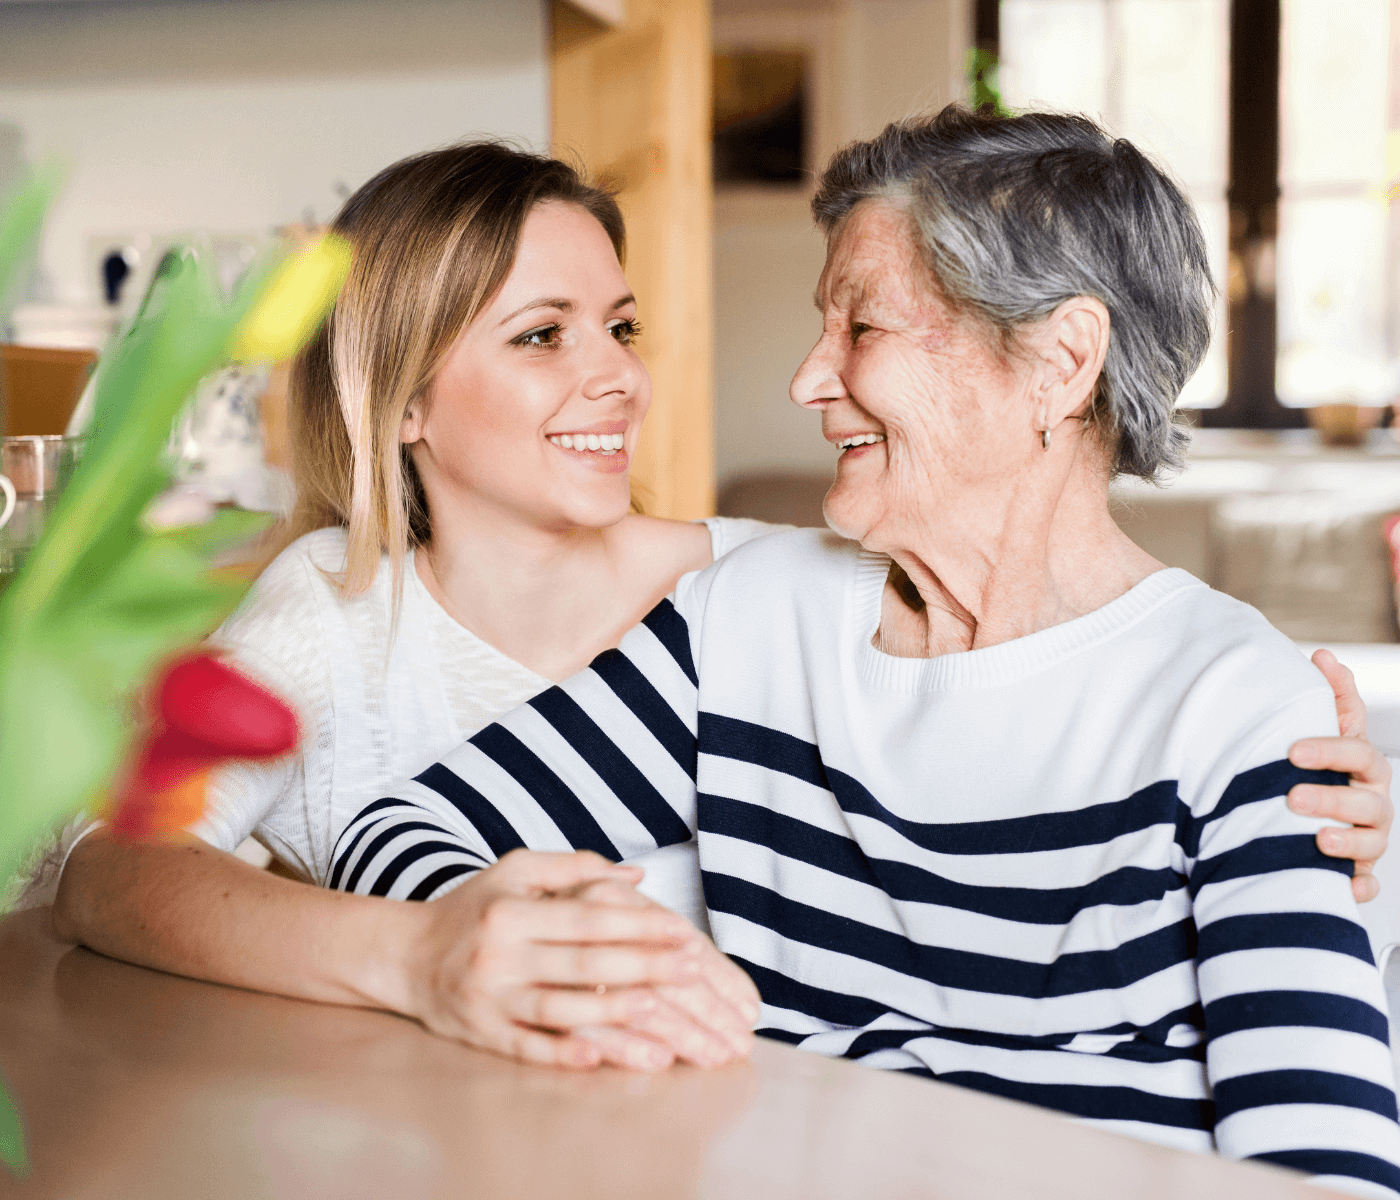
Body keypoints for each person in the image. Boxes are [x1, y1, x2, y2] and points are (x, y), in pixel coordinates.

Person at [332, 109, 1400, 1195]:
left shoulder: (1234, 707)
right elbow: (400, 830)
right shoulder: (747, 621)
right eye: (820, 326)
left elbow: (1325, 1165)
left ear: (1059, 361)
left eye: (864, 329)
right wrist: (542, 952)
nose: (807, 380)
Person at [48, 143, 762, 1074]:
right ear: (404, 400)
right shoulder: (332, 611)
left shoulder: (757, 589)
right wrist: (422, 957)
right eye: (543, 335)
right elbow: (103, 869)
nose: (622, 378)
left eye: (620, 329)